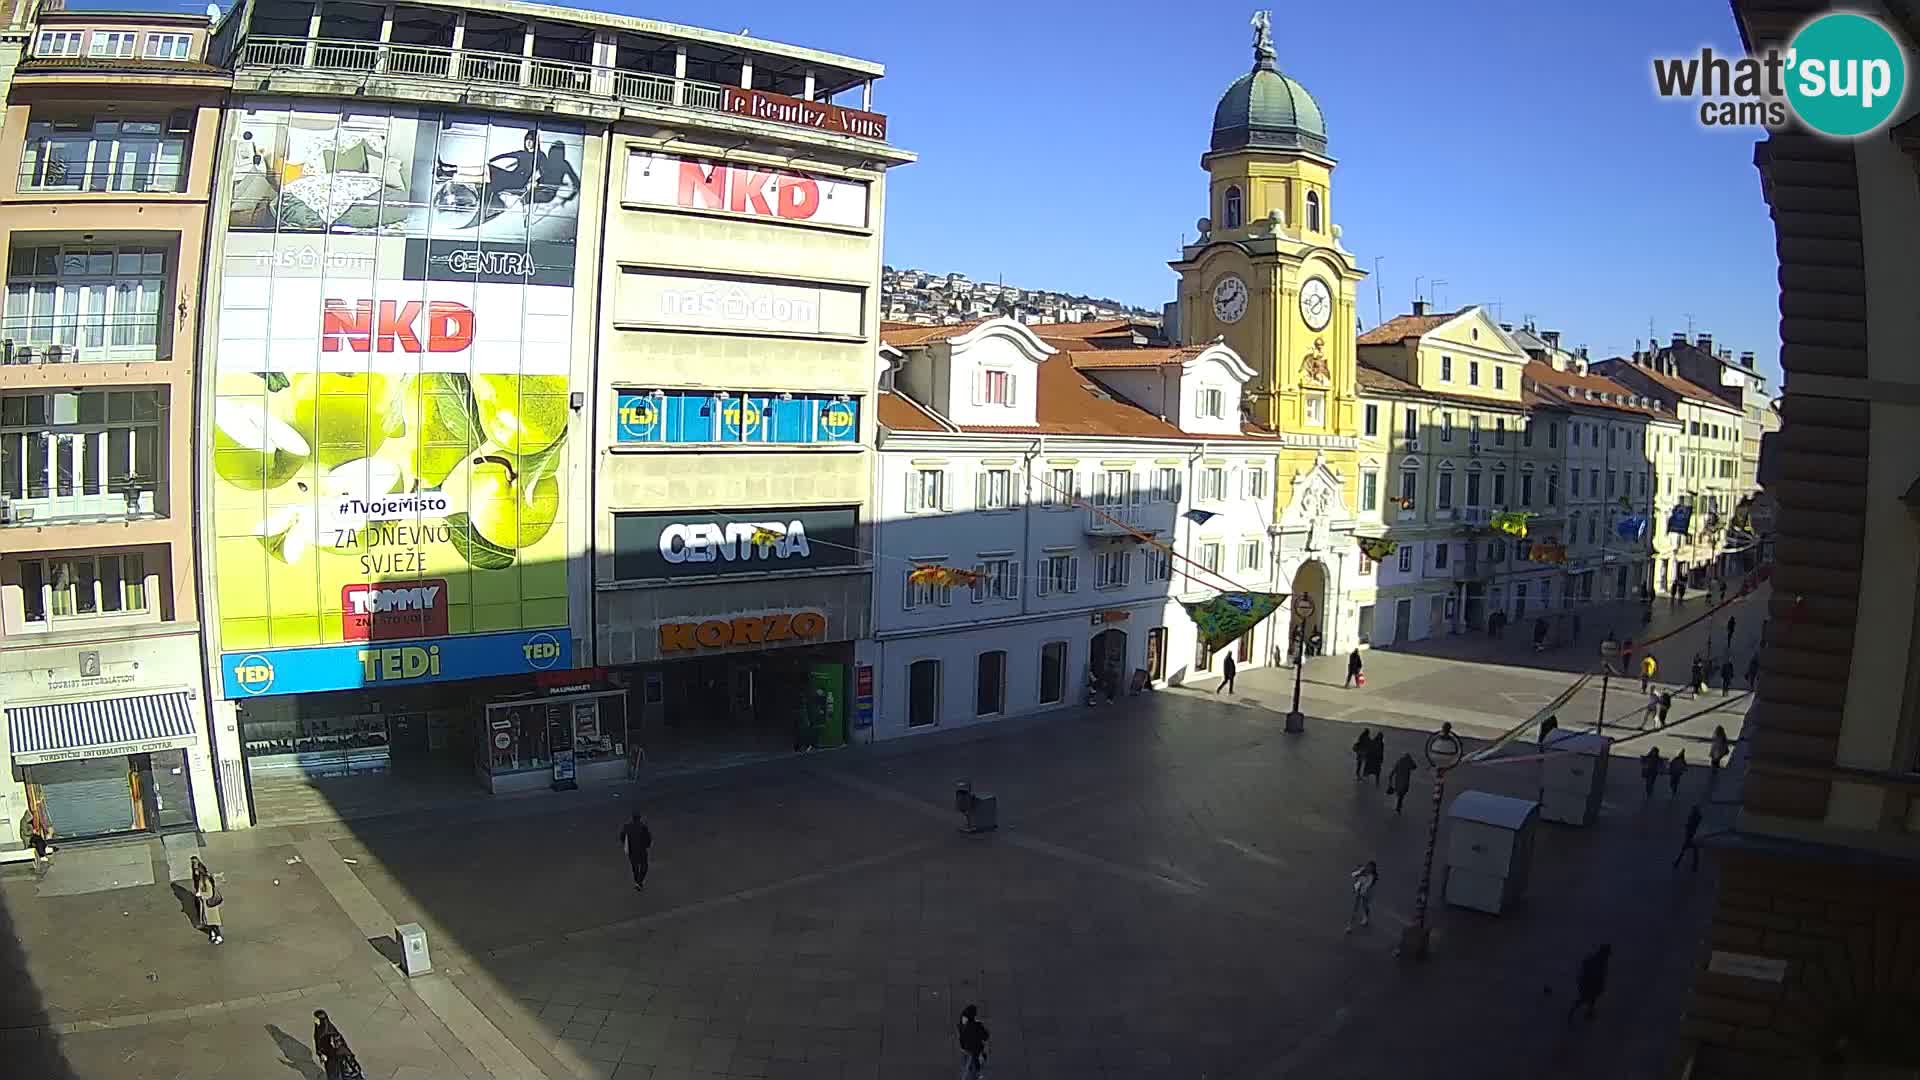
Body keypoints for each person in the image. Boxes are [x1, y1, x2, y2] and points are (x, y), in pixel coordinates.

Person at [1567, 944, 1613, 1023]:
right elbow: (1596, 973)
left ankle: (1587, 1013)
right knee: (1584, 999)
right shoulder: (1598, 960)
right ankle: (1572, 1014)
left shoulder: (1598, 960)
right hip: (1590, 983)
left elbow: (1600, 973)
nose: (1608, 956)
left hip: (1593, 983)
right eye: (1607, 954)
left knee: (1590, 999)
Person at [190, 855, 223, 945]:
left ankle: (218, 936)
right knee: (209, 922)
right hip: (206, 905)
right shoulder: (202, 878)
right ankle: (213, 935)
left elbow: (209, 893)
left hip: (209, 905)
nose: (194, 869)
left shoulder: (204, 880)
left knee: (212, 923)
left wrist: (200, 894)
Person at [619, 812, 652, 892]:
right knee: (644, 866)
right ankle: (639, 882)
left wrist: (626, 844)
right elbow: (648, 838)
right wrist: (647, 845)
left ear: (632, 818)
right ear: (639, 818)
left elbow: (622, 836)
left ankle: (637, 881)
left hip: (631, 850)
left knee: (635, 866)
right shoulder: (643, 827)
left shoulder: (627, 826)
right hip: (641, 850)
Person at [956, 1004, 989, 1080]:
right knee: (977, 1060)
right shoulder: (977, 1025)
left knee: (967, 1063)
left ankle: (972, 1071)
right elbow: (985, 1036)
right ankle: (976, 1074)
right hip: (975, 1048)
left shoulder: (962, 1023)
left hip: (964, 1046)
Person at [1345, 860, 1378, 932]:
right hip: (1359, 892)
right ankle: (1349, 926)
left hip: (1366, 893)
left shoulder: (1372, 876)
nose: (1369, 868)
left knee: (1365, 906)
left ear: (1373, 869)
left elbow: (1367, 886)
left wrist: (1361, 889)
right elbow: (1353, 874)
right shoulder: (1363, 870)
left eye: (1371, 868)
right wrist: (1360, 871)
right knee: (1355, 909)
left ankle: (1366, 917)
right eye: (1369, 866)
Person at [17, 807, 50, 875]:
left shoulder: (26, 821)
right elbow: (25, 833)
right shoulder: (23, 822)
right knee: (38, 842)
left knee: (39, 839)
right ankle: (42, 855)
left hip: (31, 836)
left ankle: (44, 849)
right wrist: (33, 831)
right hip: (28, 838)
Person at [1674, 805, 1704, 871]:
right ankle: (1694, 866)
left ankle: (1677, 863)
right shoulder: (1697, 817)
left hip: (1691, 836)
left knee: (1684, 850)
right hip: (1692, 836)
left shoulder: (1694, 817)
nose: (1691, 810)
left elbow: (1690, 826)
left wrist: (1688, 828)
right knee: (1694, 852)